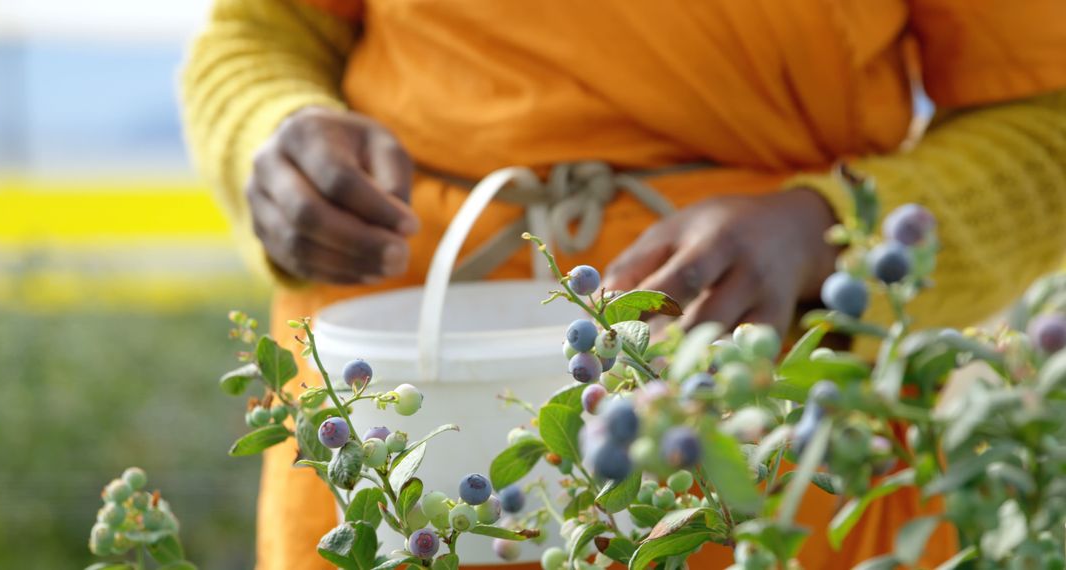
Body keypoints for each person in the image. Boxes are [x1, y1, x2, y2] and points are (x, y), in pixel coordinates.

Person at [180, 1, 1066, 567]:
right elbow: (262, 29)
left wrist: (823, 232)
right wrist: (273, 136)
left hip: (776, 414)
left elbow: (1046, 119)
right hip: (404, 419)